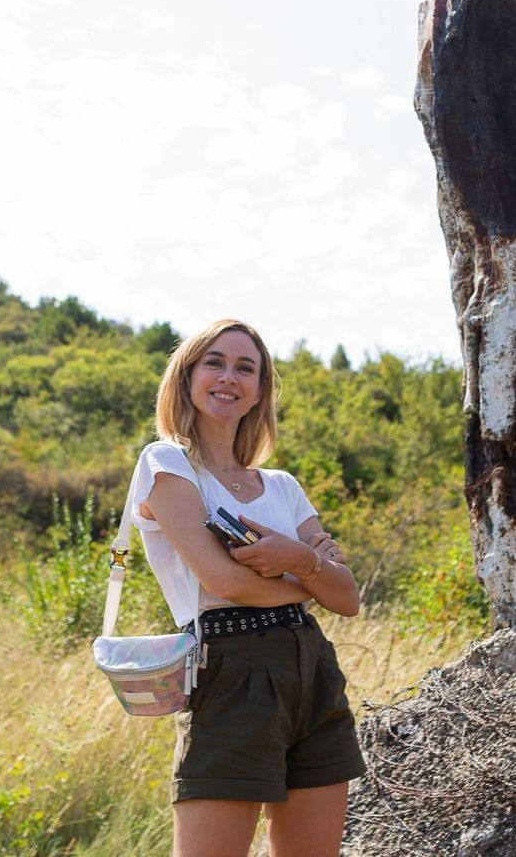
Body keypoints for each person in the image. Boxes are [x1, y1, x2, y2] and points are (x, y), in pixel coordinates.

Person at [127, 318, 365, 857]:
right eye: (214, 362)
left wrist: (297, 560)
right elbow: (226, 582)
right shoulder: (165, 463)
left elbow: (348, 599)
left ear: (260, 389)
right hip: (229, 667)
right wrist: (309, 571)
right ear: (186, 376)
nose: (228, 376)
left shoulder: (281, 485)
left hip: (313, 669)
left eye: (245, 367)